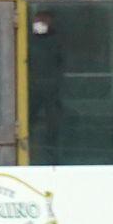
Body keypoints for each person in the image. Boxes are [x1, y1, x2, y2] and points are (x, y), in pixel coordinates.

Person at [28, 11, 64, 164]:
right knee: (29, 120)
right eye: (38, 21)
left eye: (44, 21)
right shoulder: (27, 39)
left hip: (51, 87)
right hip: (32, 87)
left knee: (53, 122)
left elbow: (62, 62)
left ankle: (53, 153)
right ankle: (28, 150)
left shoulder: (57, 40)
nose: (40, 24)